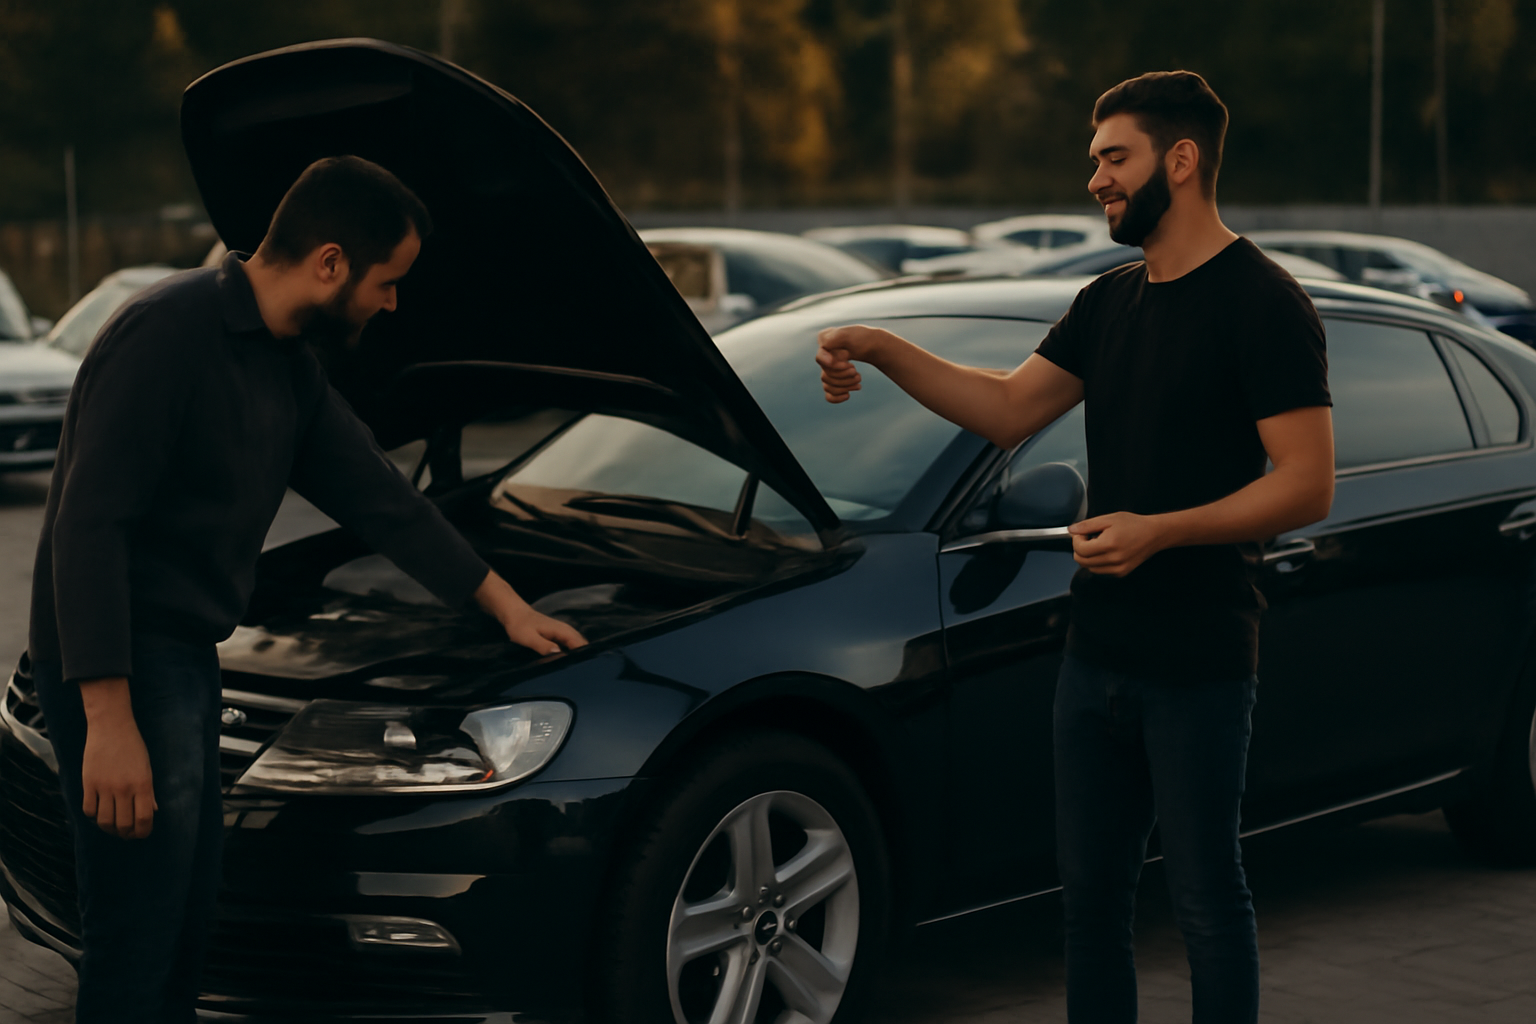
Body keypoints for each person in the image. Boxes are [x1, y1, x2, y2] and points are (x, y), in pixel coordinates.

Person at [816, 72, 1333, 1022]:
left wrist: (1159, 530)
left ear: (1180, 161)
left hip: (1200, 663)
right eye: (1093, 158)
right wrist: (884, 347)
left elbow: (1306, 482)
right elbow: (1008, 408)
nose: (1092, 177)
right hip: (1094, 658)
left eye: (1111, 157)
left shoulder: (1263, 302)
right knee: (1091, 908)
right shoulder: (1109, 301)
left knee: (1206, 903)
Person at [27, 155, 586, 1024]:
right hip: (119, 663)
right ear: (330, 263)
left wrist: (508, 607)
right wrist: (107, 718)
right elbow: (86, 527)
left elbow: (382, 497)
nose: (393, 303)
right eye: (388, 281)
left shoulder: (287, 365)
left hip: (184, 660)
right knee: (137, 931)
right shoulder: (165, 333)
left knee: (183, 920)